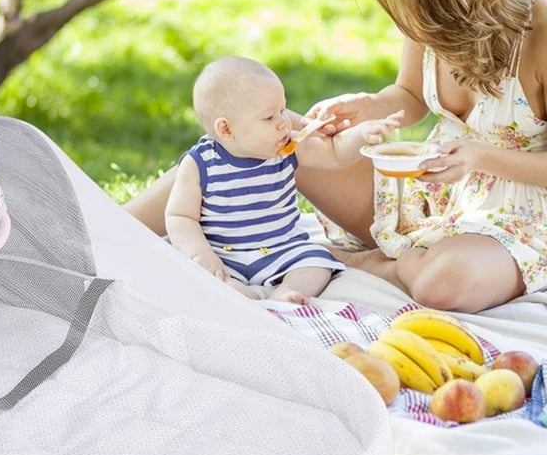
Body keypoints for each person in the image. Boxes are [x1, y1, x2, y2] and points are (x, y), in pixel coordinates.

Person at [126, 0, 547, 314]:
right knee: (251, 131)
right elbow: (410, 95)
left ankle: (360, 262)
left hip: (526, 217)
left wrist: (481, 158)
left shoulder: (542, 28)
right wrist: (368, 105)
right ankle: (101, 227)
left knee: (445, 285)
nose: (422, 31)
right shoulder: (427, 10)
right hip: (430, 192)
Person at [165, 55, 402, 303]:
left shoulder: (287, 148)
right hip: (224, 254)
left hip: (280, 250)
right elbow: (180, 216)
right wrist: (202, 256)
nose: (284, 123)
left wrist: (362, 134)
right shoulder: (200, 162)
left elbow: (333, 155)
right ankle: (230, 287)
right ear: (226, 129)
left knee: (316, 263)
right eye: (269, 117)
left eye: (282, 110)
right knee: (196, 273)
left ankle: (285, 293)